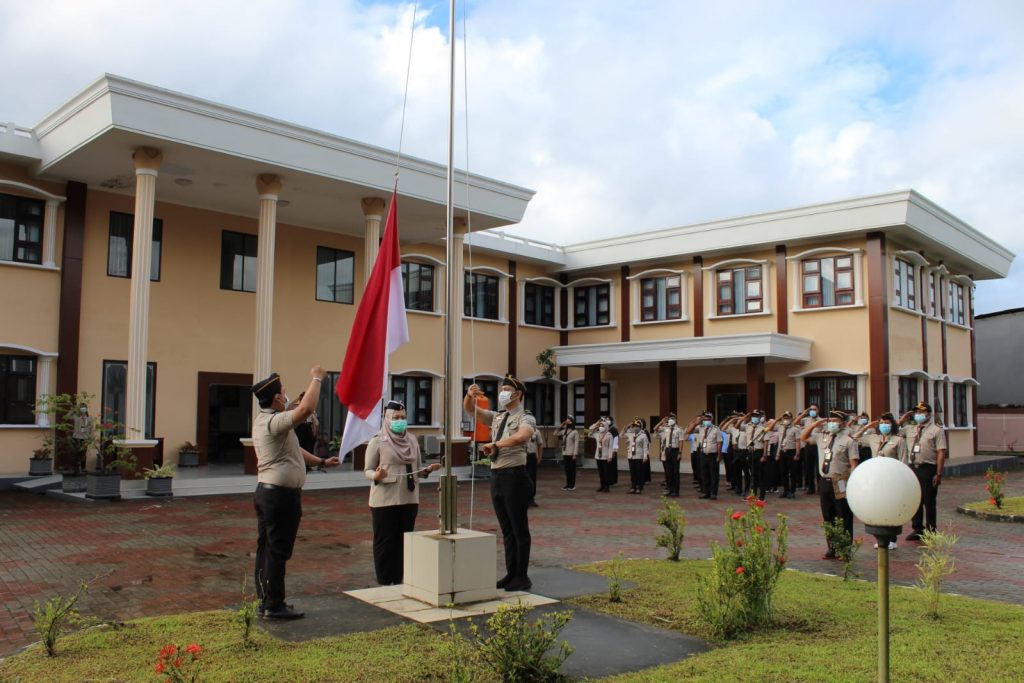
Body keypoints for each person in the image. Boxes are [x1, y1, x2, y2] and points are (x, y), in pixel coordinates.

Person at [251, 368, 341, 619]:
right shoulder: (272, 421)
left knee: (267, 550)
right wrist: (316, 378)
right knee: (277, 551)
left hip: (269, 494)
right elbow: (306, 410)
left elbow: (297, 451)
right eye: (282, 393)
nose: (285, 396)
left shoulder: (270, 423)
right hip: (278, 497)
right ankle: (273, 605)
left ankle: (267, 599)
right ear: (277, 399)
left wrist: (322, 462)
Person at [463, 376, 537, 592]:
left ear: (518, 394)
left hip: (515, 477)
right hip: (497, 477)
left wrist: (495, 443)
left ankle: (522, 576)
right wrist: (469, 395)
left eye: (506, 389)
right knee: (507, 530)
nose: (502, 393)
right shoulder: (498, 417)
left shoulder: (526, 417)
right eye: (502, 389)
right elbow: (472, 411)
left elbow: (522, 436)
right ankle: (511, 573)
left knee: (519, 529)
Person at [364, 401, 441, 585]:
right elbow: (367, 469)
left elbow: (416, 469)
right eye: (396, 418)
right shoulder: (377, 441)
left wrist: (428, 470)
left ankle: (398, 580)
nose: (400, 421)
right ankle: (384, 580)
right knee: (385, 542)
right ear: (387, 419)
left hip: (409, 498)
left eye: (403, 418)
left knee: (404, 541)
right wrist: (376, 474)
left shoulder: (412, 440)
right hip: (385, 498)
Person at [800, 410, 859, 560]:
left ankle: (845, 549)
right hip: (824, 481)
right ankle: (831, 548)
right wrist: (815, 424)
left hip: (840, 481)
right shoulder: (822, 437)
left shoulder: (849, 440)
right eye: (831, 420)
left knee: (843, 515)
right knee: (828, 516)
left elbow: (853, 464)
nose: (832, 423)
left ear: (843, 423)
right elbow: (803, 437)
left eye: (836, 420)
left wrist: (851, 482)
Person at [857, 412, 908, 550]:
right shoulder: (873, 438)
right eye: (881, 423)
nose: (884, 426)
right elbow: (855, 438)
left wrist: (902, 479)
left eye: (887, 423)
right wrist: (868, 425)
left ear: (892, 425)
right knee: (878, 506)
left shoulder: (899, 440)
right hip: (877, 478)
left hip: (892, 478)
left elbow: (903, 461)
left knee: (891, 507)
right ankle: (880, 537)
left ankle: (892, 539)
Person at [898, 402, 947, 542]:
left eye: (921, 412)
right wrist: (903, 419)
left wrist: (938, 473)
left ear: (929, 414)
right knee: (915, 500)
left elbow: (941, 452)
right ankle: (917, 528)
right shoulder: (910, 429)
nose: (918, 415)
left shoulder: (936, 430)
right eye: (916, 412)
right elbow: (894, 431)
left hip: (928, 468)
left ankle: (931, 529)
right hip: (913, 468)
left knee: (928, 500)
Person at [685, 411, 723, 499]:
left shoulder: (716, 429)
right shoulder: (700, 428)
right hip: (702, 454)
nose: (706, 421)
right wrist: (695, 423)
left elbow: (719, 443)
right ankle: (706, 492)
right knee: (704, 474)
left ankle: (713, 493)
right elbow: (688, 432)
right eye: (704, 419)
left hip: (713, 455)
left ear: (711, 419)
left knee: (713, 475)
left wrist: (719, 455)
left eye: (708, 419)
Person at [653, 413, 683, 497]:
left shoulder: (679, 429)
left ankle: (676, 491)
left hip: (675, 450)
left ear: (675, 420)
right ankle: (669, 489)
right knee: (669, 471)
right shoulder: (665, 428)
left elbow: (681, 441)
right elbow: (655, 429)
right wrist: (661, 422)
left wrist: (680, 453)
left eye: (672, 419)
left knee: (675, 472)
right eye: (669, 419)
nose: (670, 420)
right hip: (667, 450)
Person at [772, 412, 801, 499]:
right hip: (782, 451)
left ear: (791, 419)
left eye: (787, 418)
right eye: (784, 418)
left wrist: (797, 453)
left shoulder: (795, 429)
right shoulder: (780, 427)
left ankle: (792, 491)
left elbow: (798, 441)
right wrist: (778, 419)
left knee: (792, 473)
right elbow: (771, 427)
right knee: (783, 472)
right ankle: (785, 491)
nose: (786, 420)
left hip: (791, 451)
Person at [795, 404, 821, 494]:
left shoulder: (821, 421)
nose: (813, 411)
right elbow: (795, 422)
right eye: (811, 409)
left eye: (815, 409)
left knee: (818, 468)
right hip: (808, 446)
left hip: (818, 446)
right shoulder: (806, 420)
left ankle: (820, 488)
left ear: (818, 410)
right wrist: (803, 413)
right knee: (808, 468)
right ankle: (811, 488)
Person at [625, 418, 651, 494]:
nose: (635, 427)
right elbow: (621, 435)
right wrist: (627, 426)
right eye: (634, 426)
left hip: (639, 456)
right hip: (631, 455)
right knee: (632, 472)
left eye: (637, 426)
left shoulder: (643, 435)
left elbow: (646, 447)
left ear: (640, 427)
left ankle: (639, 487)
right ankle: (633, 486)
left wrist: (645, 456)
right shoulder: (630, 434)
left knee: (639, 472)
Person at [590, 417, 614, 492]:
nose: (601, 427)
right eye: (600, 426)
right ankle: (602, 486)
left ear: (606, 426)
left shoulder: (609, 435)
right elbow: (589, 432)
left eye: (602, 426)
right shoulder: (597, 434)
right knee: (600, 472)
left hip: (605, 456)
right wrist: (596, 424)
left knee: (606, 472)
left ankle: (607, 487)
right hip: (598, 456)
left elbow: (611, 447)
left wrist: (610, 456)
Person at [556, 418, 579, 490]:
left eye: (568, 421)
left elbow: (576, 443)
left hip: (571, 453)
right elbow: (555, 433)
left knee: (572, 470)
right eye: (566, 421)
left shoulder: (575, 432)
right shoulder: (564, 431)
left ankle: (572, 485)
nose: (567, 422)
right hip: (565, 453)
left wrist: (575, 454)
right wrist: (562, 424)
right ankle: (568, 484)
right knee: (567, 470)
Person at [525, 421, 544, 507]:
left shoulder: (536, 431)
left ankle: (531, 499)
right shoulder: (519, 430)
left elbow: (540, 445)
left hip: (532, 456)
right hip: (522, 457)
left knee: (532, 478)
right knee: (520, 478)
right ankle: (521, 499)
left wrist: (539, 457)